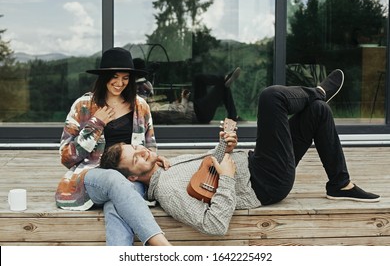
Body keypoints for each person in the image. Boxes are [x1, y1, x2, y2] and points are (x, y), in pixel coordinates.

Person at [99, 69, 380, 236]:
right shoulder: (168, 193)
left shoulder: (168, 167)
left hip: (257, 163)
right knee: (271, 97)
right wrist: (229, 178)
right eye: (135, 158)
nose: (142, 152)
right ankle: (317, 91)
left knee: (317, 113)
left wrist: (225, 145)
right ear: (132, 179)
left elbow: (211, 167)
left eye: (136, 148)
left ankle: (340, 183)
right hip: (263, 182)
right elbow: (215, 224)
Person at [55, 47, 171, 246]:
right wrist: (95, 124)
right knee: (113, 178)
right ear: (104, 77)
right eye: (114, 77)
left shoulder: (140, 106)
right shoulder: (83, 106)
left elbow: (150, 146)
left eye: (125, 78)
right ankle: (164, 248)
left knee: (115, 207)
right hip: (93, 177)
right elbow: (66, 157)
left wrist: (154, 159)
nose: (120, 83)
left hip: (129, 178)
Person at [141, 64, 242, 124]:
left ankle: (233, 115)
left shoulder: (154, 106)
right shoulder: (156, 111)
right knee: (222, 86)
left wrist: (177, 101)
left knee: (198, 78)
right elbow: (180, 112)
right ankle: (224, 80)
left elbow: (173, 109)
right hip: (199, 114)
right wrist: (184, 99)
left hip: (196, 107)